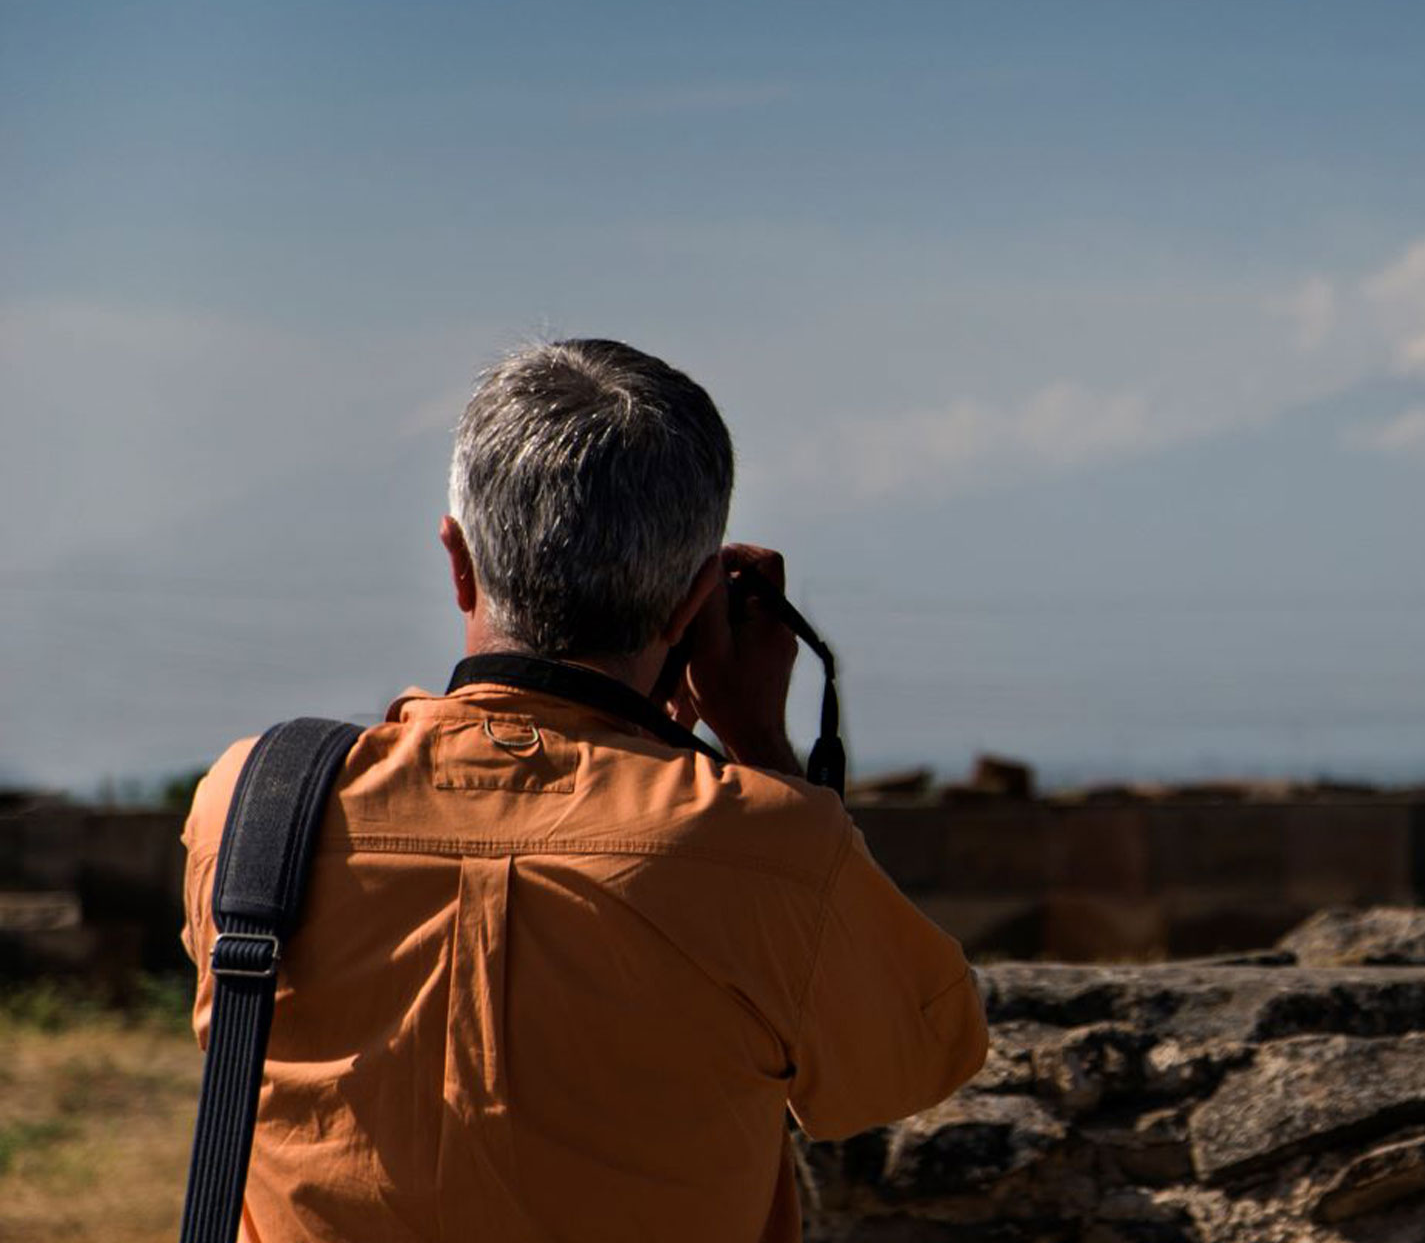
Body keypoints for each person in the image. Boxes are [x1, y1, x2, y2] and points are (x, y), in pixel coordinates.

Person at [178, 338, 988, 1241]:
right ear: (693, 607)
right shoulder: (771, 850)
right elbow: (913, 1063)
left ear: (457, 561)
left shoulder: (253, 804)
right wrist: (758, 743)